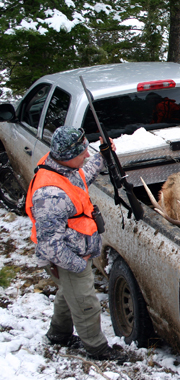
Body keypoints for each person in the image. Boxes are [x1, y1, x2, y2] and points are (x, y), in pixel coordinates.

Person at [25, 126, 126, 362]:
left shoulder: (64, 168)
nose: (86, 156)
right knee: (85, 303)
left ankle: (58, 335)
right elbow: (50, 245)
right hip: (68, 257)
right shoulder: (51, 195)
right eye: (82, 153)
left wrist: (103, 155)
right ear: (69, 155)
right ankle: (98, 349)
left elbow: (83, 175)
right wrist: (77, 265)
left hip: (76, 251)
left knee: (68, 294)